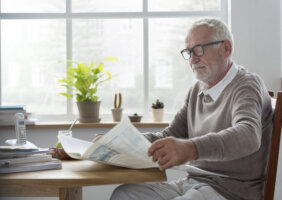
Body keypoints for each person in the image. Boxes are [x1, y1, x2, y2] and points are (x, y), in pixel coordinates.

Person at [108, 18, 273, 200]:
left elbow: (248, 135)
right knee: (124, 194)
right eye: (189, 52)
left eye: (199, 49)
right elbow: (169, 136)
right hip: (192, 183)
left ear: (226, 48)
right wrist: (119, 142)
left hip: (231, 191)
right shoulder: (197, 89)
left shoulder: (247, 85)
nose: (193, 59)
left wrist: (192, 148)